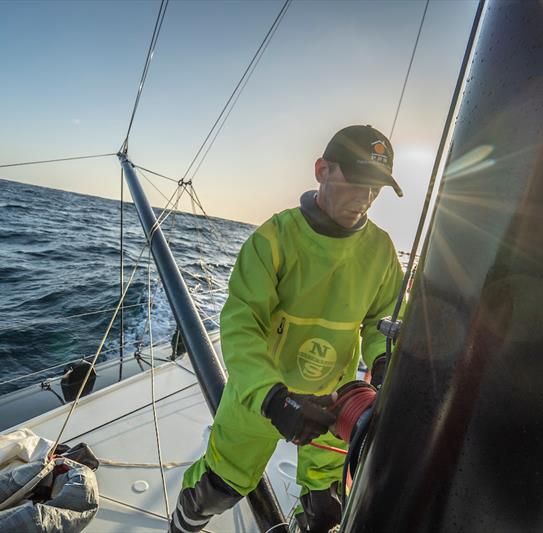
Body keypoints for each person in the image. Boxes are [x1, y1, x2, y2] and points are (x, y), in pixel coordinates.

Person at [169, 125, 405, 533]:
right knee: (218, 489)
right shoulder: (273, 239)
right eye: (357, 180)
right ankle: (182, 525)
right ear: (322, 170)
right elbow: (242, 326)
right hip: (262, 397)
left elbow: (380, 320)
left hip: (334, 401)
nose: (366, 198)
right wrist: (274, 398)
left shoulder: (382, 251)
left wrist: (385, 360)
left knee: (327, 508)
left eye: (376, 188)